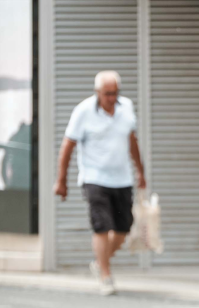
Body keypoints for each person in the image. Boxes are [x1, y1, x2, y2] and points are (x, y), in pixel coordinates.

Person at [54, 71, 145, 295]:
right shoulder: (83, 111)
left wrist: (140, 171)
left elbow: (131, 140)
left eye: (115, 93)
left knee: (124, 228)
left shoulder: (127, 108)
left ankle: (99, 262)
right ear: (97, 93)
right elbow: (67, 146)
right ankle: (105, 276)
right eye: (107, 94)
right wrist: (61, 180)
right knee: (102, 226)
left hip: (122, 178)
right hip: (94, 178)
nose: (112, 98)